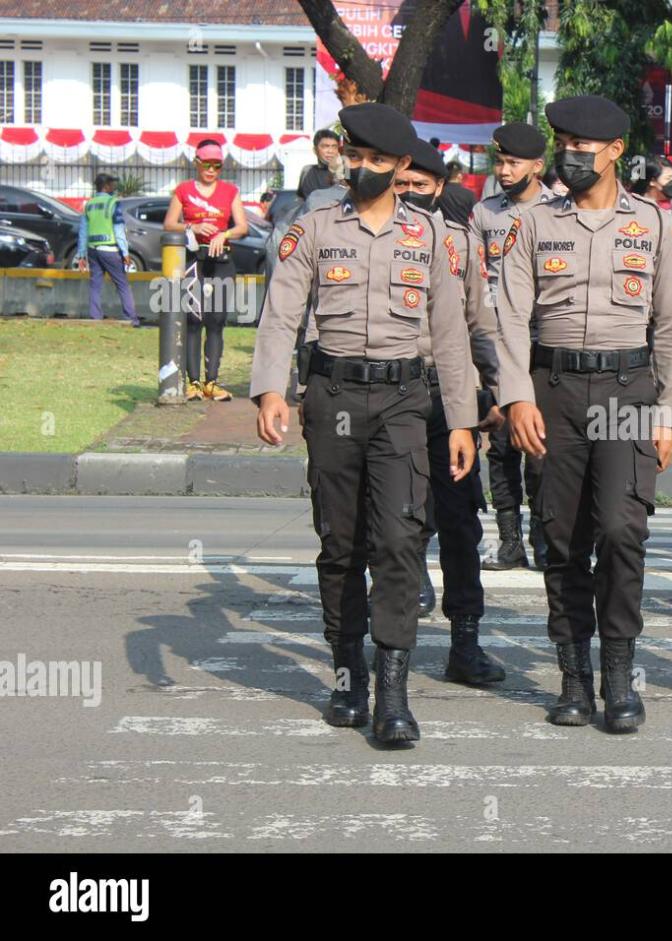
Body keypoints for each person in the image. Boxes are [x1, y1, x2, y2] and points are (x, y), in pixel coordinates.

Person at [251, 102, 479, 746]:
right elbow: (281, 311)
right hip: (334, 396)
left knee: (401, 541)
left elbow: (450, 334)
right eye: (356, 157)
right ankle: (348, 674)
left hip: (407, 400)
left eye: (379, 161)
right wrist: (271, 388)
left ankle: (394, 693)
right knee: (342, 541)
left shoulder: (430, 234)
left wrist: (461, 419)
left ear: (403, 166)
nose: (364, 169)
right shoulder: (315, 224)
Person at [494, 94, 672, 733]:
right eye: (564, 145)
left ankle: (619, 677)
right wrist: (516, 395)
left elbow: (671, 324)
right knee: (561, 537)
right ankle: (575, 680)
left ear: (614, 152)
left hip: (628, 389)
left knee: (619, 530)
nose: (570, 155)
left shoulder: (656, 224)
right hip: (553, 389)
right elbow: (507, 318)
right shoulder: (533, 223)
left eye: (584, 147)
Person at [395, 137, 506, 683]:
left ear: (440, 188)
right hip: (390, 390)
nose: (411, 193)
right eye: (403, 184)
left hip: (448, 394)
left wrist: (499, 389)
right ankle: (393, 642)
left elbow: (480, 325)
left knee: (461, 523)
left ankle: (465, 641)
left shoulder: (461, 242)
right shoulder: (364, 234)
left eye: (422, 185)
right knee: (398, 518)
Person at [469, 122, 557, 571]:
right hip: (499, 343)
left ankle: (544, 535)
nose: (504, 171)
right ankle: (508, 539)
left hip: (544, 344)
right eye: (499, 162)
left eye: (513, 163)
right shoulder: (485, 215)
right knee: (501, 445)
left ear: (537, 166)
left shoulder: (557, 210)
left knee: (539, 448)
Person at [163, 139, 249, 401]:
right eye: (207, 164)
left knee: (216, 320)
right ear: (197, 163)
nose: (211, 170)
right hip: (193, 260)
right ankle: (193, 384)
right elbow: (169, 224)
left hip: (221, 261)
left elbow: (242, 227)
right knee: (193, 321)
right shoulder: (184, 190)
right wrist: (193, 228)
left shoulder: (230, 191)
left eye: (217, 165)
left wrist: (224, 234)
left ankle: (212, 381)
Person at [74, 173, 139, 327]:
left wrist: (81, 254)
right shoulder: (112, 203)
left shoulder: (89, 205)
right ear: (106, 186)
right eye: (112, 185)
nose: (114, 187)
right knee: (122, 284)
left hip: (93, 250)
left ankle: (95, 317)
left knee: (95, 284)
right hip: (110, 249)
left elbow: (83, 232)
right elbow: (118, 229)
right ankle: (131, 318)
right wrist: (125, 252)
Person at [297, 129, 343, 199]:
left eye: (334, 147)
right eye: (325, 146)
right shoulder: (308, 171)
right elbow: (302, 199)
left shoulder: (346, 171)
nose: (330, 151)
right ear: (315, 150)